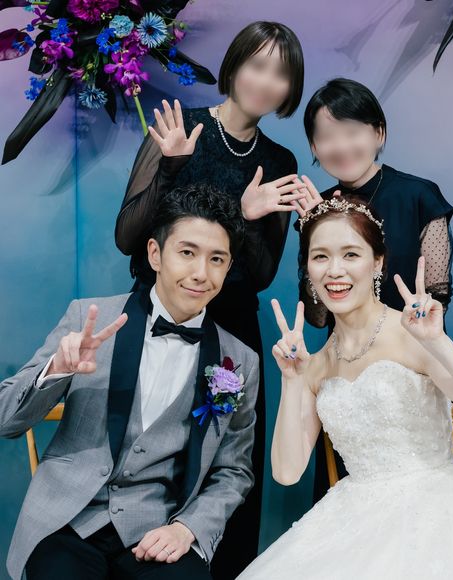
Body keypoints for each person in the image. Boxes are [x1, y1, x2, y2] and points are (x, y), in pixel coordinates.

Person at [237, 196, 453, 579]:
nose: (335, 270)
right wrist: (292, 381)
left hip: (440, 516)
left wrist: (438, 343)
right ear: (308, 268)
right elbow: (287, 472)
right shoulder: (316, 365)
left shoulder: (413, 335)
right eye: (320, 256)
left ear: (377, 262)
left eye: (350, 254)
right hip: (353, 519)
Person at [115, 21, 305, 579]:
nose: (265, 82)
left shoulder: (281, 161)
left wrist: (248, 218)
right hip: (159, 314)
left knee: (226, 460)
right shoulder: (182, 130)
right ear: (234, 66)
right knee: (146, 450)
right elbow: (128, 237)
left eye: (281, 73)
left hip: (231, 331)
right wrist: (171, 164)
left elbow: (261, 275)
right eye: (257, 65)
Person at [0, 185, 260, 580]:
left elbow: (234, 472)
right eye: (187, 253)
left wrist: (186, 528)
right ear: (155, 254)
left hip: (157, 530)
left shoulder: (239, 362)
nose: (200, 273)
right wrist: (57, 369)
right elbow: (6, 421)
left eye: (216, 259)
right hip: (66, 524)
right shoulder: (89, 319)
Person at [292, 77, 453, 498]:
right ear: (314, 146)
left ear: (378, 133)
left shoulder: (419, 196)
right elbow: (317, 316)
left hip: (409, 376)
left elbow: (435, 300)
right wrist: (315, 227)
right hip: (345, 382)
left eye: (353, 132)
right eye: (327, 136)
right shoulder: (315, 208)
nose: (341, 146)